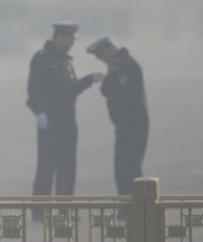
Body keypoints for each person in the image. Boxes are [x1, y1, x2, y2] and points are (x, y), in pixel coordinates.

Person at [26, 22, 104, 220]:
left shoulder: (66, 62)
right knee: (46, 167)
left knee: (67, 167)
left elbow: (69, 90)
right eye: (70, 39)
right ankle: (39, 210)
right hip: (50, 122)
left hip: (68, 123)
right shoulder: (42, 59)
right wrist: (39, 112)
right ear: (59, 37)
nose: (72, 43)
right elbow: (33, 90)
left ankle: (65, 210)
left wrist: (88, 80)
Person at [86, 37, 149, 199]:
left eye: (101, 56)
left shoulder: (123, 65)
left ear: (109, 49)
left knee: (129, 167)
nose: (102, 60)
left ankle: (133, 205)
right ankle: (127, 204)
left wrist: (107, 82)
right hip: (126, 125)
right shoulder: (117, 64)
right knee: (122, 167)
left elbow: (112, 90)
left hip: (132, 124)